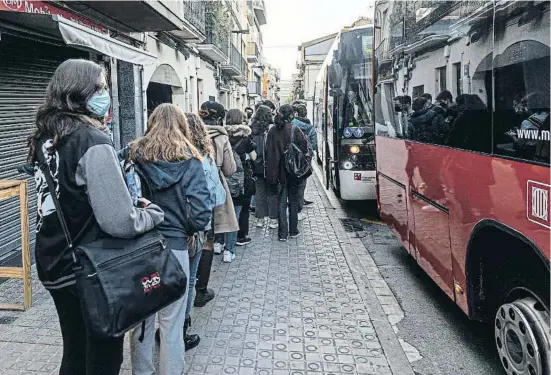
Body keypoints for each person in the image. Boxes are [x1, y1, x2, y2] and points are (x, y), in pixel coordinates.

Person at [28, 59, 165, 375]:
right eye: (101, 87)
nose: (106, 93)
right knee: (103, 357)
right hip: (92, 269)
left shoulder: (46, 138)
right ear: (80, 91)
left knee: (75, 350)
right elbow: (119, 221)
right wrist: (151, 214)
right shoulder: (92, 140)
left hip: (54, 261)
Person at [127, 104, 211, 375]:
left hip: (139, 250)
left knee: (142, 321)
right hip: (175, 250)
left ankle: (142, 372)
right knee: (172, 323)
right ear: (182, 127)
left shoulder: (133, 156)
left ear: (151, 123)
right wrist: (185, 228)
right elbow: (201, 214)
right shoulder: (191, 161)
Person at [180, 112, 226, 350]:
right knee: (188, 280)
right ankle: (181, 328)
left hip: (163, 229)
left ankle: (167, 328)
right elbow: (216, 195)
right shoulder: (202, 157)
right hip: (195, 225)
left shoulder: (158, 155)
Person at [194, 101, 238, 306]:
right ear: (219, 117)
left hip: (188, 191)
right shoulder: (220, 137)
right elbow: (230, 169)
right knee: (208, 240)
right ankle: (200, 290)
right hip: (212, 191)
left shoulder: (186, 131)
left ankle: (186, 287)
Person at [265, 104, 308, 242]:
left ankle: (282, 234)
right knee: (293, 201)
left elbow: (268, 152)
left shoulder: (272, 131)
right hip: (293, 172)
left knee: (281, 202)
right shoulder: (295, 130)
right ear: (292, 115)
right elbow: (304, 148)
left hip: (277, 172)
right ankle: (293, 231)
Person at [224, 109, 257, 259]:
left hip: (222, 177)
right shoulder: (246, 137)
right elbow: (254, 157)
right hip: (240, 178)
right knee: (238, 211)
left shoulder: (220, 135)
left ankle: (219, 243)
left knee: (221, 211)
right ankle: (233, 245)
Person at [251, 105, 278, 229]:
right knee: (272, 193)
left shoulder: (251, 129)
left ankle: (259, 219)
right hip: (271, 167)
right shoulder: (272, 130)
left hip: (256, 166)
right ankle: (273, 219)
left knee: (259, 193)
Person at [292, 103, 316, 219]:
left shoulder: (292, 124)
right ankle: (299, 206)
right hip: (305, 157)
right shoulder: (309, 126)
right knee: (302, 182)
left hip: (292, 156)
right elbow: (314, 144)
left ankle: (291, 204)